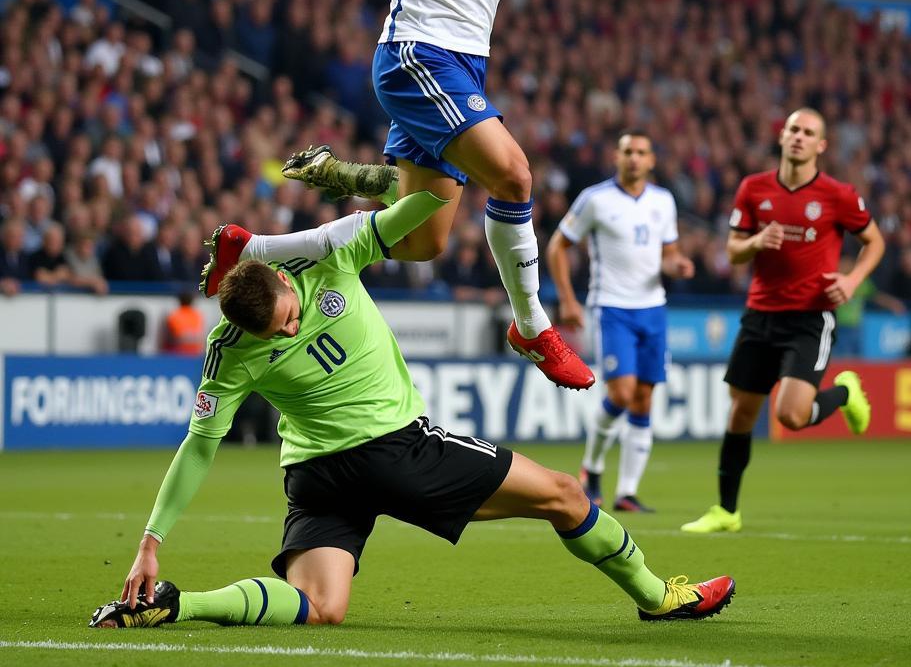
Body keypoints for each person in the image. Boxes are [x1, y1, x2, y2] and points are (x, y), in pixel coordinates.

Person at [150, 0, 750, 393]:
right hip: (415, 55)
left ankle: (249, 251)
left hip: (467, 64)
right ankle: (532, 323)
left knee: (422, 239)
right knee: (514, 174)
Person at [88, 192, 736, 629]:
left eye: (287, 323)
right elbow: (200, 443)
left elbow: (415, 209)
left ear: (283, 279)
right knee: (566, 495)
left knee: (321, 605)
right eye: (277, 336)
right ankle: (658, 597)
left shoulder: (270, 308)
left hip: (317, 477)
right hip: (397, 452)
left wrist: (372, 180)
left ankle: (181, 606)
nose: (286, 335)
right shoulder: (317, 273)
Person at [681, 108, 882, 535]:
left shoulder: (838, 195)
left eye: (808, 133)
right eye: (793, 129)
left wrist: (852, 279)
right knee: (740, 413)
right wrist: (757, 240)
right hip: (759, 315)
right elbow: (733, 252)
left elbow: (874, 241)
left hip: (809, 318)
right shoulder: (754, 189)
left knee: (790, 415)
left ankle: (844, 393)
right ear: (782, 136)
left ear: (820, 145)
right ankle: (726, 511)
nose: (798, 137)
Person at [546, 131, 693, 513]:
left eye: (641, 152)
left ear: (651, 161)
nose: (634, 158)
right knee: (622, 394)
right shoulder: (595, 199)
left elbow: (668, 252)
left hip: (653, 308)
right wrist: (566, 299)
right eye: (628, 151)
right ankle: (592, 468)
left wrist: (676, 264)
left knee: (644, 399)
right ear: (617, 156)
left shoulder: (663, 201)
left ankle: (627, 492)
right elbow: (557, 246)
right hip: (612, 308)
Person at [159, 292, 207, 357]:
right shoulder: (198, 316)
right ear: (191, 302)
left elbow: (166, 337)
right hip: (195, 352)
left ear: (179, 301)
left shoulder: (174, 315)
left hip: (177, 352)